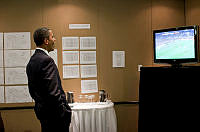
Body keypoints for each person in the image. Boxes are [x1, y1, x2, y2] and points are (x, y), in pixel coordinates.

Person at [26, 27, 71, 132]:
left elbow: (32, 91)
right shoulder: (46, 60)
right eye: (52, 37)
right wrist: (64, 112)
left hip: (44, 114)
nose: (54, 40)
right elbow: (53, 93)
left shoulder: (32, 61)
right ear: (46, 41)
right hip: (55, 116)